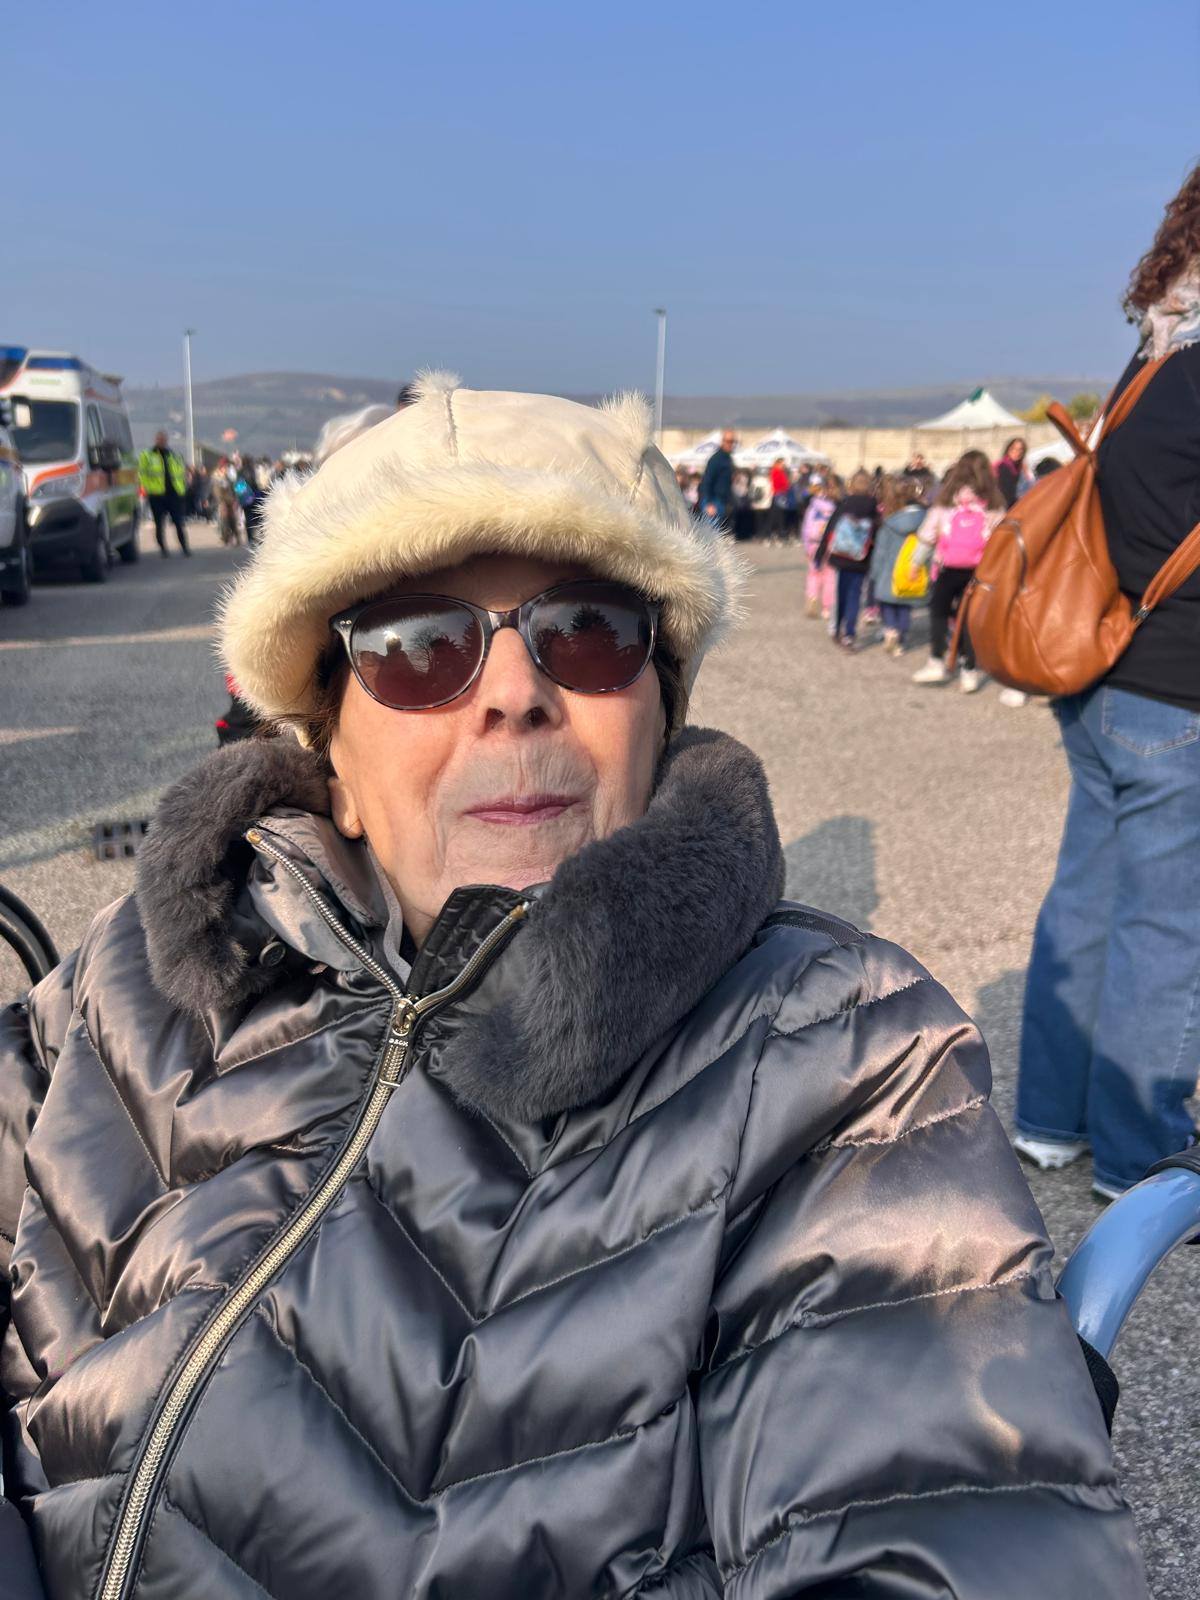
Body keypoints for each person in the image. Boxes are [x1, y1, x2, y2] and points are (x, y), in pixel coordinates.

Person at [0, 373, 1145, 1598]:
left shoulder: (834, 1053)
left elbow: (929, 1529)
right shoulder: (138, 973)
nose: (513, 693)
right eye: (418, 647)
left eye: (587, 631)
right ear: (327, 752)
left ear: (660, 715)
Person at [1015, 160, 1200, 1200]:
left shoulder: (1155, 350)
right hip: (1181, 688)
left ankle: (1050, 1120)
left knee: (1086, 902)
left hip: (1102, 670)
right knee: (1165, 929)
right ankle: (1140, 1156)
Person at [910, 449, 1005, 691]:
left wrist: (915, 563)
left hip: (947, 567)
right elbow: (1001, 541)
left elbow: (927, 536)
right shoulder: (994, 503)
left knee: (939, 612)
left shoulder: (946, 501)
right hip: (979, 571)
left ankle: (936, 660)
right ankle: (969, 670)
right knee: (969, 620)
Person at [815, 467, 879, 649]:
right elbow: (877, 534)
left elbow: (830, 529)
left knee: (840, 594)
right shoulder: (874, 508)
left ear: (852, 486)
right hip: (862, 559)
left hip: (841, 556)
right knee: (855, 596)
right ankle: (849, 633)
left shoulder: (844, 505)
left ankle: (836, 628)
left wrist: (820, 554)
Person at [868, 473, 926, 655]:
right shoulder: (924, 521)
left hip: (888, 574)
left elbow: (880, 552)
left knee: (888, 605)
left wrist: (875, 574)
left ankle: (890, 629)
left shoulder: (889, 524)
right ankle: (901, 638)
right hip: (911, 572)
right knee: (905, 607)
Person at [137, 429, 191, 556]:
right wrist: (146, 489)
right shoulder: (147, 455)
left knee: (178, 522)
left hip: (173, 494)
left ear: (166, 441)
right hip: (156, 494)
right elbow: (142, 474)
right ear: (156, 440)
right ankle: (163, 549)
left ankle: (185, 548)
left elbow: (180, 473)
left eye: (163, 439)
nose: (161, 441)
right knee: (159, 524)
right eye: (159, 439)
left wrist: (182, 489)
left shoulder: (173, 455)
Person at [800, 473, 840, 620]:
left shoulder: (813, 507)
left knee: (813, 573)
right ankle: (827, 608)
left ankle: (812, 598)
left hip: (813, 544)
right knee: (830, 576)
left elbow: (806, 528)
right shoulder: (836, 507)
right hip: (830, 545)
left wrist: (806, 546)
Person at [697, 427, 735, 525]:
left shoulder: (728, 459)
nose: (730, 444)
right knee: (712, 532)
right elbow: (707, 481)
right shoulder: (716, 459)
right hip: (713, 501)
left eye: (733, 441)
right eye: (728, 441)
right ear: (722, 441)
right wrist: (708, 503)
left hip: (722, 502)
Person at [995, 437, 1029, 507]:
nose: (1016, 452)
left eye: (1020, 449)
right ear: (1008, 449)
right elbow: (1006, 494)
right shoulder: (1004, 467)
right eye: (1013, 448)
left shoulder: (1019, 467)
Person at [766, 456, 792, 544]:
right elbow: (778, 483)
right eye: (782, 464)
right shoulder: (776, 472)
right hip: (778, 495)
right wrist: (786, 486)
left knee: (778, 515)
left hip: (780, 495)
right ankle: (775, 535)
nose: (783, 466)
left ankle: (775, 535)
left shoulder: (780, 472)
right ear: (777, 464)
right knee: (777, 516)